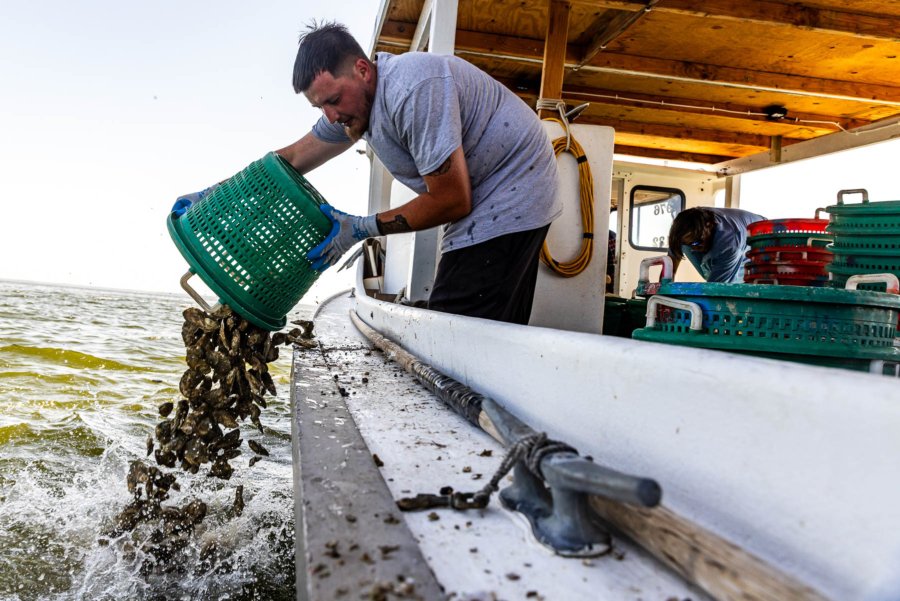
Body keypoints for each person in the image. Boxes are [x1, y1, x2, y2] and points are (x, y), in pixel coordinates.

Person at [172, 22, 561, 325]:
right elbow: (290, 158)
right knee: (467, 321)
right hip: (483, 197)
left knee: (454, 330)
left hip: (514, 190)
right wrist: (215, 193)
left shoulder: (411, 89)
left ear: (362, 70)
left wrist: (360, 227)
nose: (331, 116)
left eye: (334, 100)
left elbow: (453, 199)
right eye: (320, 107)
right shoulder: (353, 110)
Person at [667, 207, 765, 284]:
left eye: (696, 243)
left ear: (709, 226)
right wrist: (664, 288)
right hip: (722, 242)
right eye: (688, 244)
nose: (693, 248)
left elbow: (714, 290)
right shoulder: (683, 227)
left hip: (760, 247)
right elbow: (670, 262)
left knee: (727, 289)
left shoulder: (730, 243)